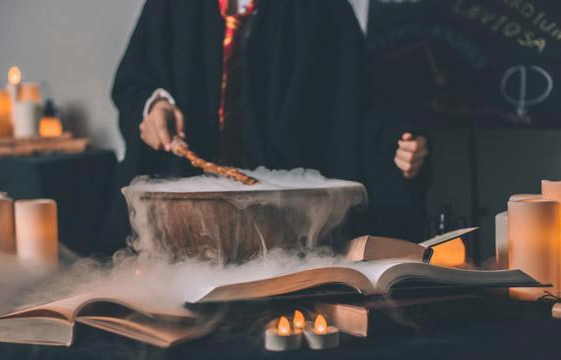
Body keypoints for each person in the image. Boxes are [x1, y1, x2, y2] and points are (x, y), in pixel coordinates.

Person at [105, 0, 429, 253]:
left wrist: (391, 144)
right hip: (185, 220)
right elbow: (134, 82)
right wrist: (154, 106)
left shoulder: (321, 9)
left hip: (287, 222)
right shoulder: (171, 7)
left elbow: (353, 104)